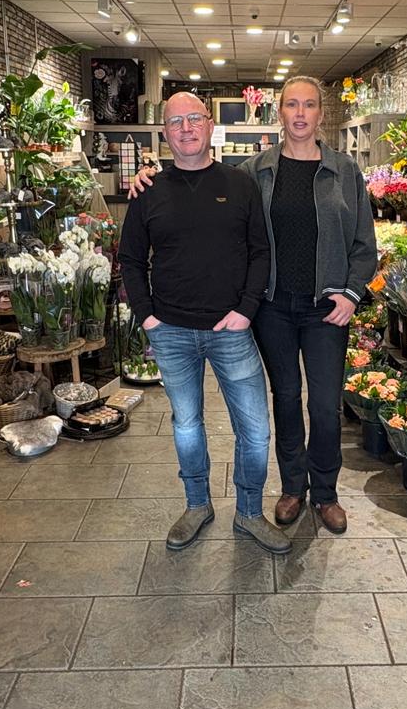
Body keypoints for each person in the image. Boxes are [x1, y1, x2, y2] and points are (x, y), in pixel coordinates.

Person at [129, 77, 377, 534]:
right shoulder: (253, 172)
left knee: (324, 405)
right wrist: (149, 177)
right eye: (291, 105)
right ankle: (292, 488)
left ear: (321, 114)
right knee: (284, 398)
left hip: (327, 310)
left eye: (309, 106)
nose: (300, 114)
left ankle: (326, 493)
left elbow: (365, 243)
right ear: (278, 114)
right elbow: (201, 184)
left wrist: (352, 291)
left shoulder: (346, 172)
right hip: (273, 308)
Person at [117, 92, 292, 555]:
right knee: (187, 425)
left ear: (210, 125)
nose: (186, 128)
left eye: (194, 118)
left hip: (231, 330)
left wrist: (247, 309)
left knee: (255, 429)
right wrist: (147, 316)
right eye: (176, 122)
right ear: (166, 132)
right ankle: (198, 505)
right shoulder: (148, 190)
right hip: (170, 331)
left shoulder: (239, 184)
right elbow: (131, 259)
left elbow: (260, 252)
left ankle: (250, 513)